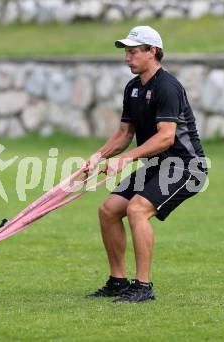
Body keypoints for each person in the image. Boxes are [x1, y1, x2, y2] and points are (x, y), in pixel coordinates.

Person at [85, 26, 208, 303]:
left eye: (133, 52)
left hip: (186, 167)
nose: (127, 58)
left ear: (152, 52)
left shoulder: (168, 87)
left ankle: (143, 287)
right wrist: (97, 158)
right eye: (126, 53)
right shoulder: (132, 88)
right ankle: (118, 282)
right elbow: (124, 135)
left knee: (137, 209)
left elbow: (166, 137)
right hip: (158, 165)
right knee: (108, 210)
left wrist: (125, 159)